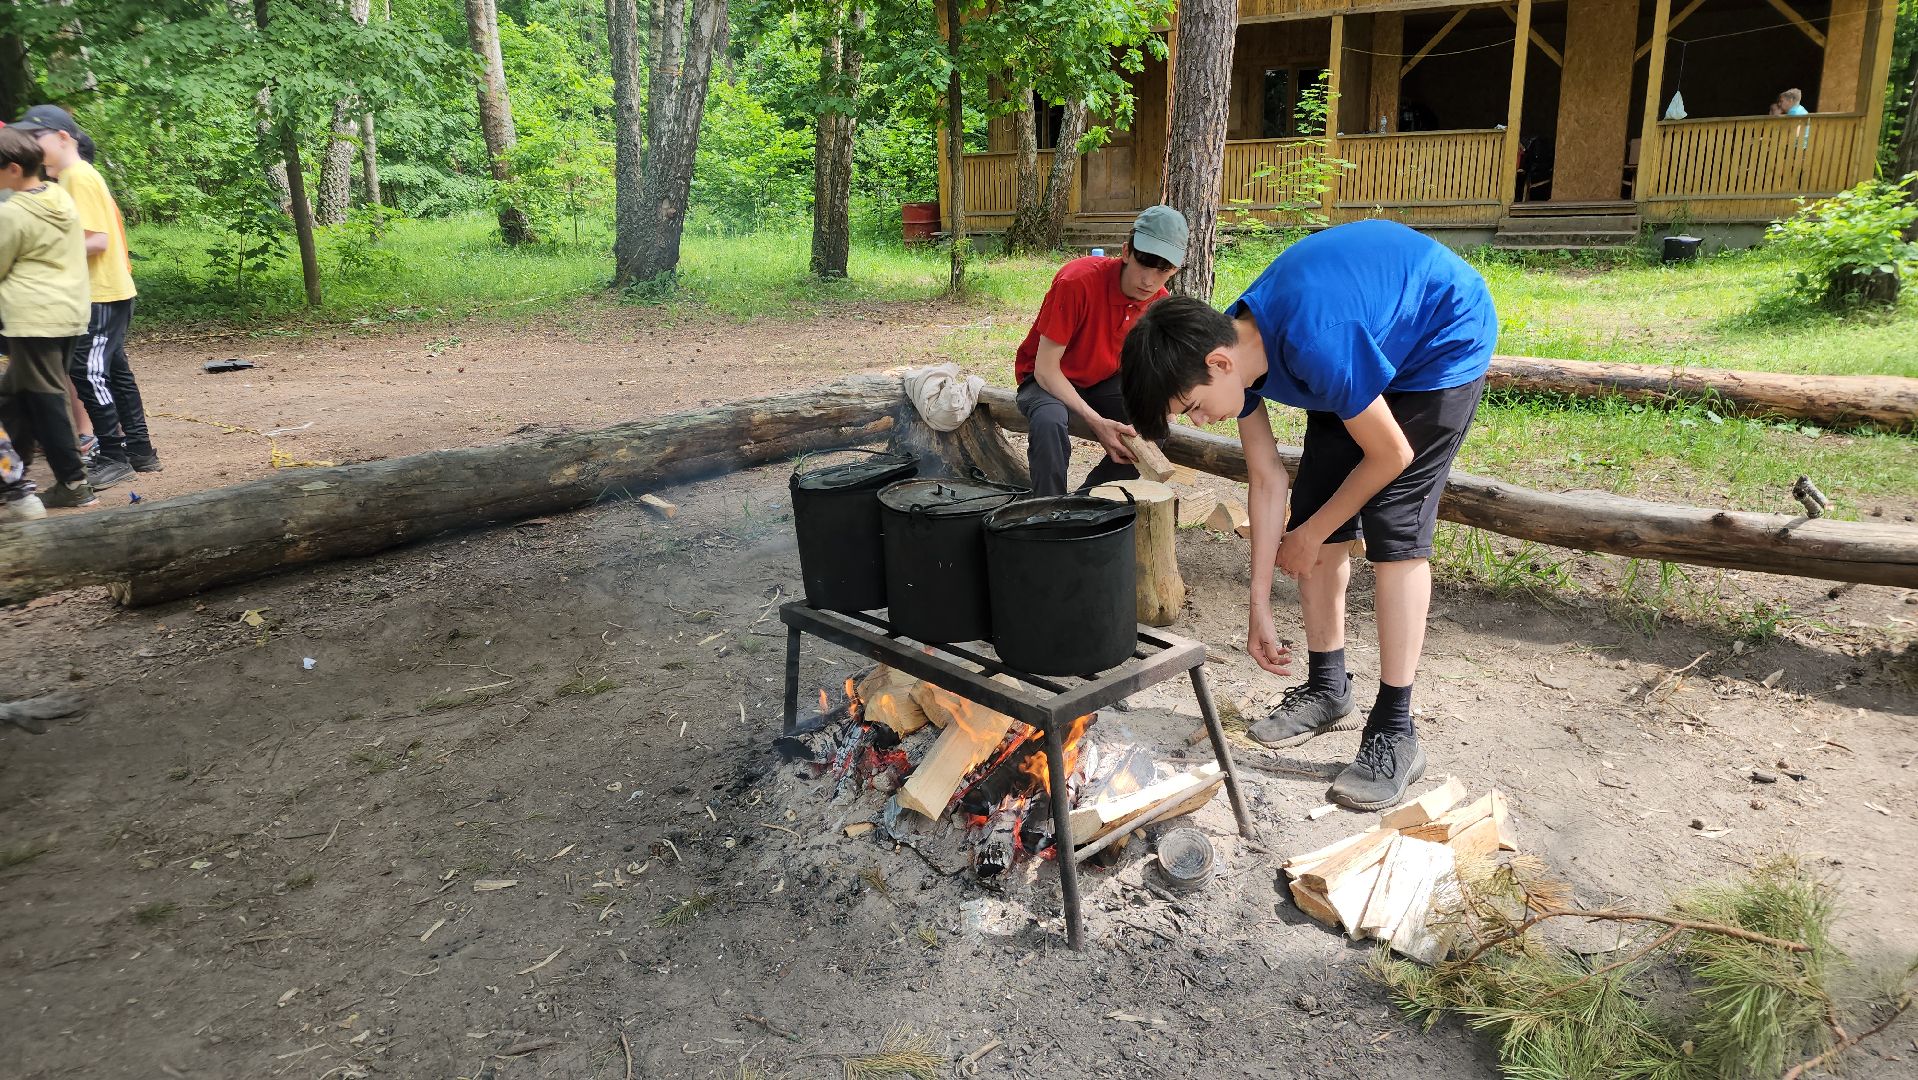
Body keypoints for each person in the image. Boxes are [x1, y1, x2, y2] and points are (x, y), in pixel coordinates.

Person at [1119, 219, 1496, 811]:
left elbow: (1391, 453)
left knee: (1396, 528)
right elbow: (1268, 481)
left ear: (1218, 364)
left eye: (1192, 408)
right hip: (1363, 343)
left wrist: (1312, 533)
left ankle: (1396, 730)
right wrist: (1259, 604)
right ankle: (1328, 684)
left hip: (1439, 338)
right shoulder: (1236, 349)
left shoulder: (1314, 342)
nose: (1198, 421)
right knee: (1318, 502)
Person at [14, 104, 152, 487]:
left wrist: (38, 246)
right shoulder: (76, 176)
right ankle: (140, 450)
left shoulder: (77, 176)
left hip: (99, 293)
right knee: (115, 372)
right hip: (109, 290)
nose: (29, 146)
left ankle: (112, 453)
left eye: (35, 137)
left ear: (62, 138)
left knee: (85, 373)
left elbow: (96, 240)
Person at [1014, 205, 1188, 496]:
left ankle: (1085, 505)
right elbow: (1045, 369)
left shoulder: (1159, 304)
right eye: (1144, 263)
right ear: (1125, 252)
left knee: (1154, 425)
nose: (1149, 280)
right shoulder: (1077, 282)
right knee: (1049, 422)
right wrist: (1097, 423)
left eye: (1163, 270)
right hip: (1046, 379)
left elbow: (1151, 370)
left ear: (1175, 270)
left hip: (1102, 381)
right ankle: (1048, 510)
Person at [0, 125, 96, 515]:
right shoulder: (59, 196)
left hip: (33, 318)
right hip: (70, 312)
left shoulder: (13, 213)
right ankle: (13, 481)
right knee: (14, 396)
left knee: (46, 399)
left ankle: (73, 483)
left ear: (12, 170)